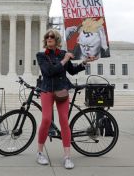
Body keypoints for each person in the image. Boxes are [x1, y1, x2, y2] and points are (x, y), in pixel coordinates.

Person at [36, 29, 96, 169]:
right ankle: (39, 153)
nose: (49, 38)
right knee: (46, 119)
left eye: (52, 37)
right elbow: (49, 72)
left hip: (62, 90)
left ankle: (67, 157)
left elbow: (72, 71)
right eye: (47, 36)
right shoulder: (41, 55)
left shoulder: (64, 54)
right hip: (47, 90)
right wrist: (65, 60)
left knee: (64, 121)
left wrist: (85, 62)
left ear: (56, 40)